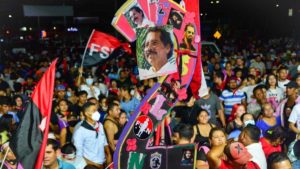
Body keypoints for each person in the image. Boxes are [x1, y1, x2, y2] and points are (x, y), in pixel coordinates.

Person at [73, 102, 111, 168]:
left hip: (103, 163)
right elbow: (79, 156)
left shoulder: (100, 125)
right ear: (86, 113)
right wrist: (96, 166)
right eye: (94, 111)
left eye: (97, 110)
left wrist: (109, 155)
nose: (97, 112)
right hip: (91, 166)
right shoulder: (80, 132)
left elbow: (104, 142)